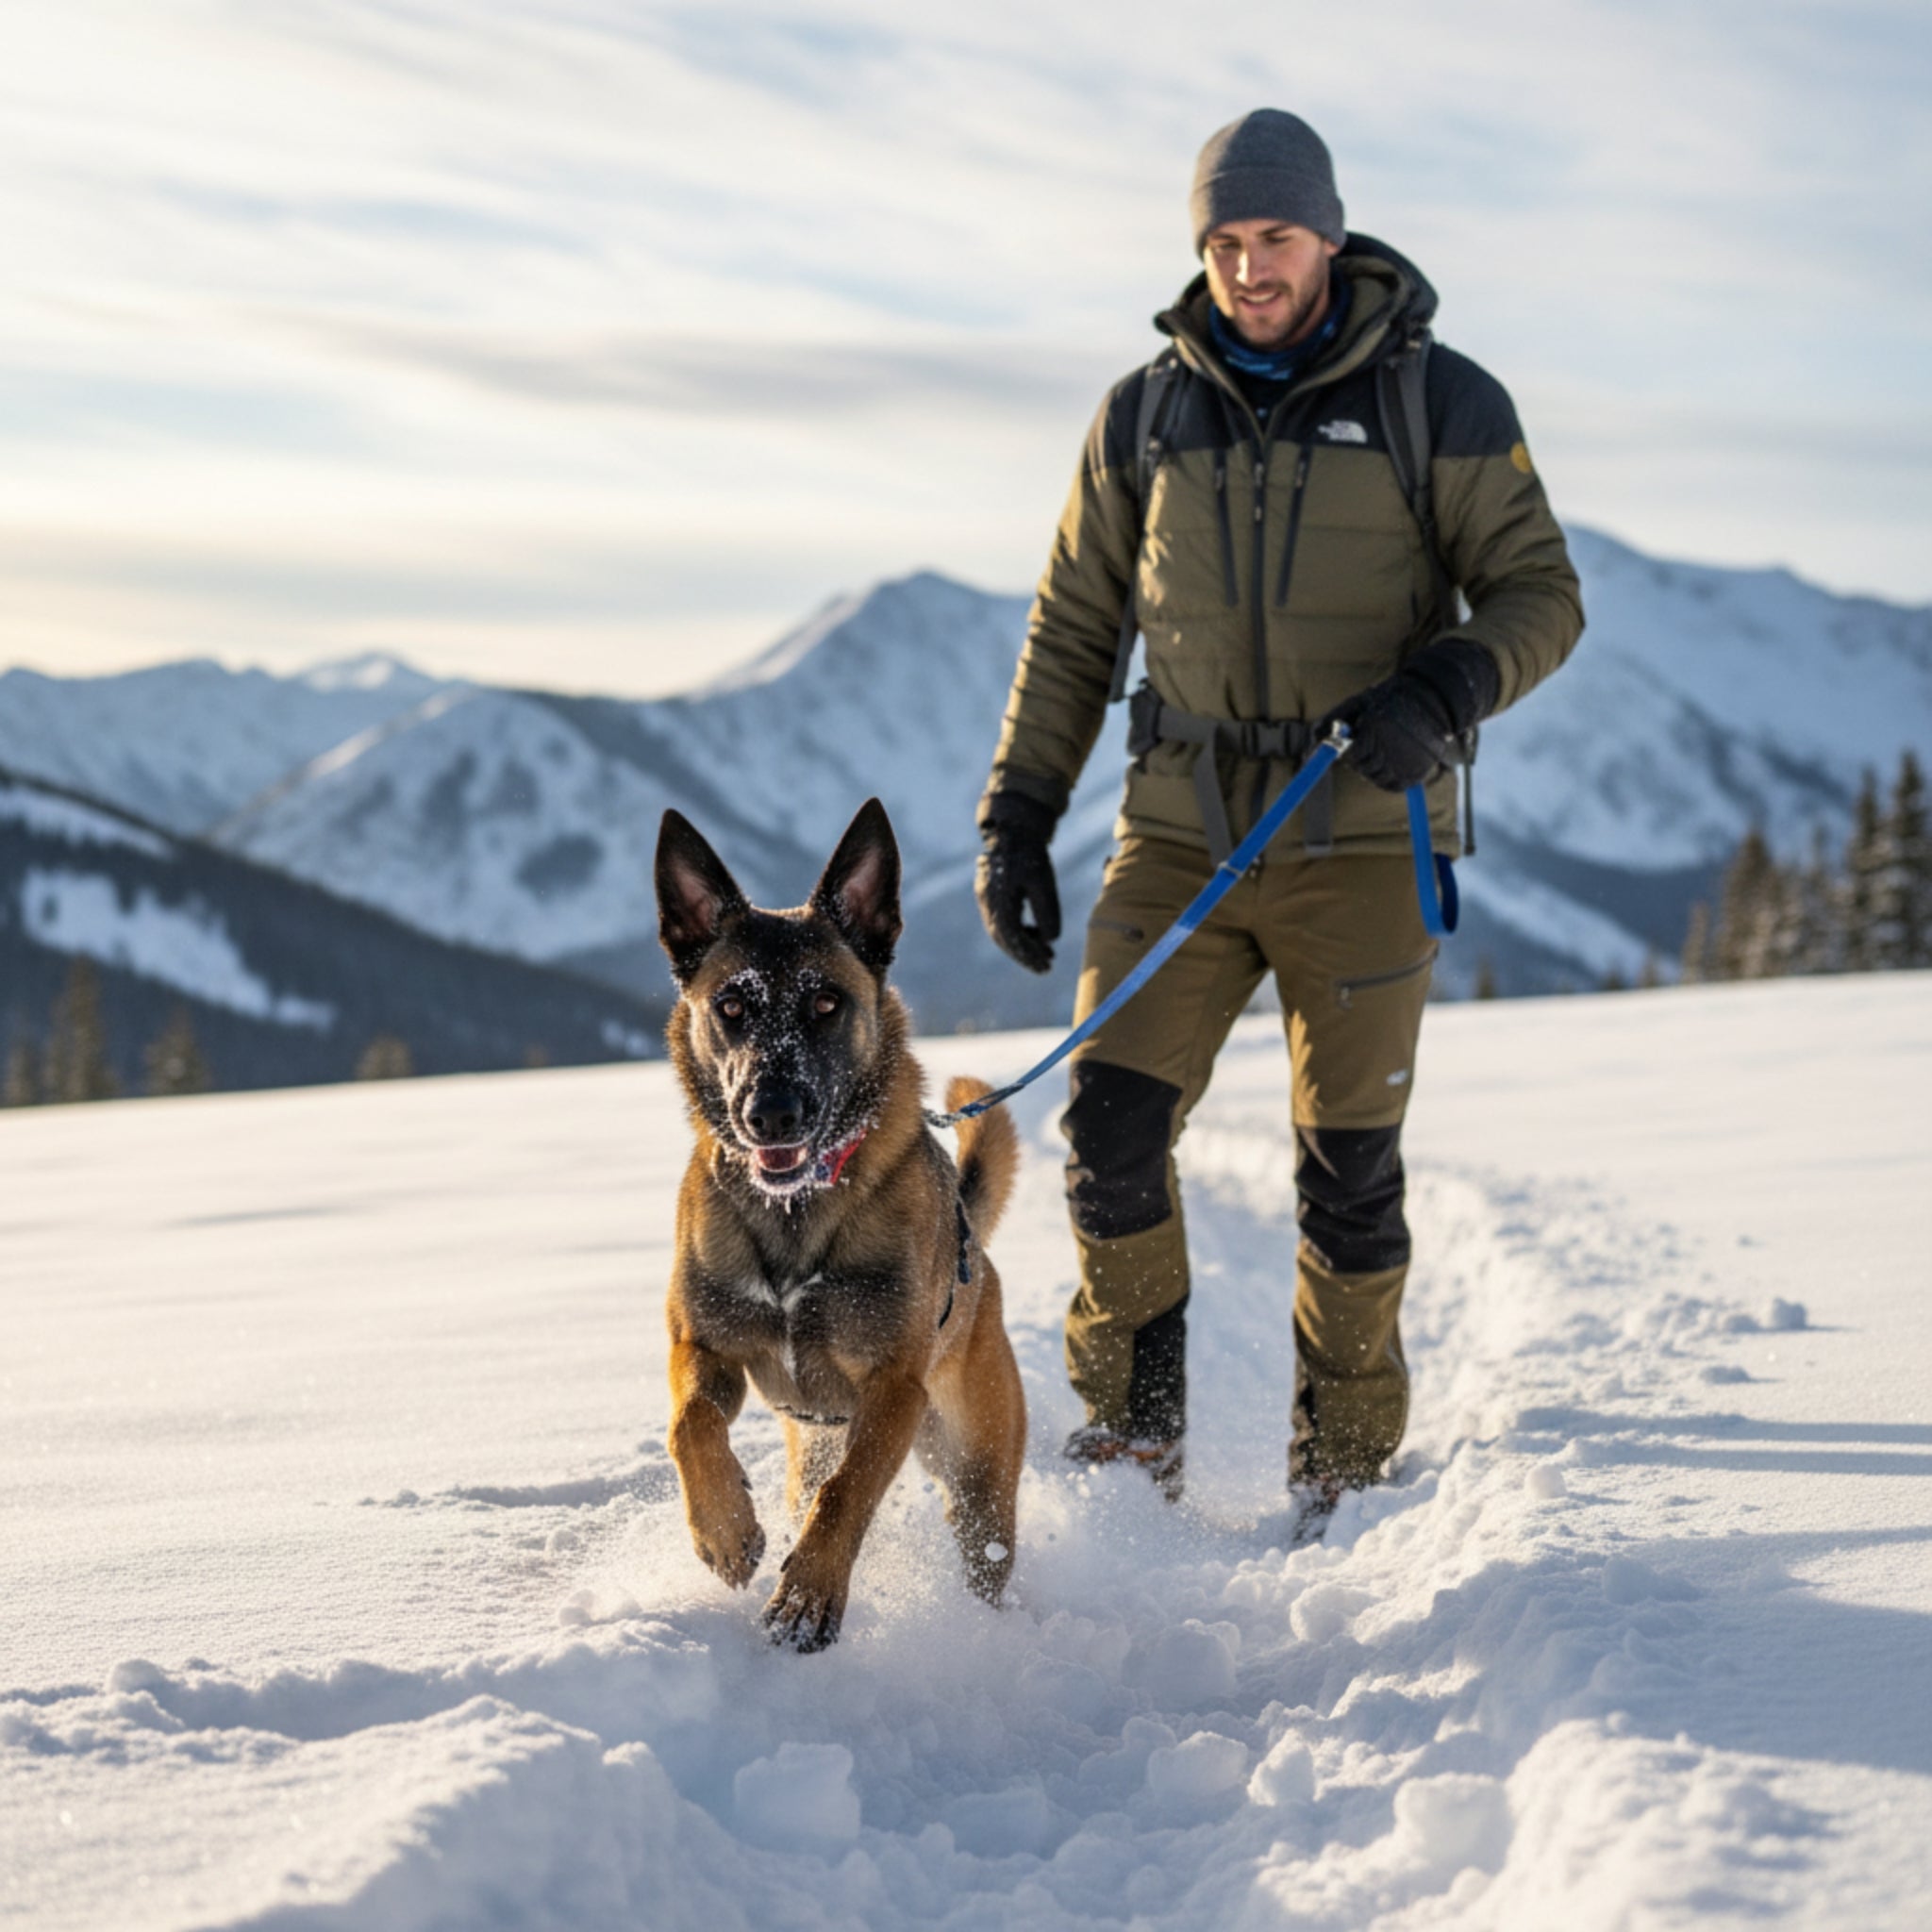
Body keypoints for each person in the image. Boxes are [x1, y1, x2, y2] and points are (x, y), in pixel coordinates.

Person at [974, 108, 1583, 1527]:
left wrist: (1444, 687)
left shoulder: (1445, 403)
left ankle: (1346, 1468)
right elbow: (1073, 630)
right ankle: (1134, 1447)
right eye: (1227, 241)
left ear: (1330, 235)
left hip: (1366, 826)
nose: (1252, 268)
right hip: (1179, 829)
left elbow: (1541, 594)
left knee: (1347, 1174)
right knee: (1109, 1132)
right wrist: (1017, 812)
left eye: (1279, 238)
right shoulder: (1144, 414)